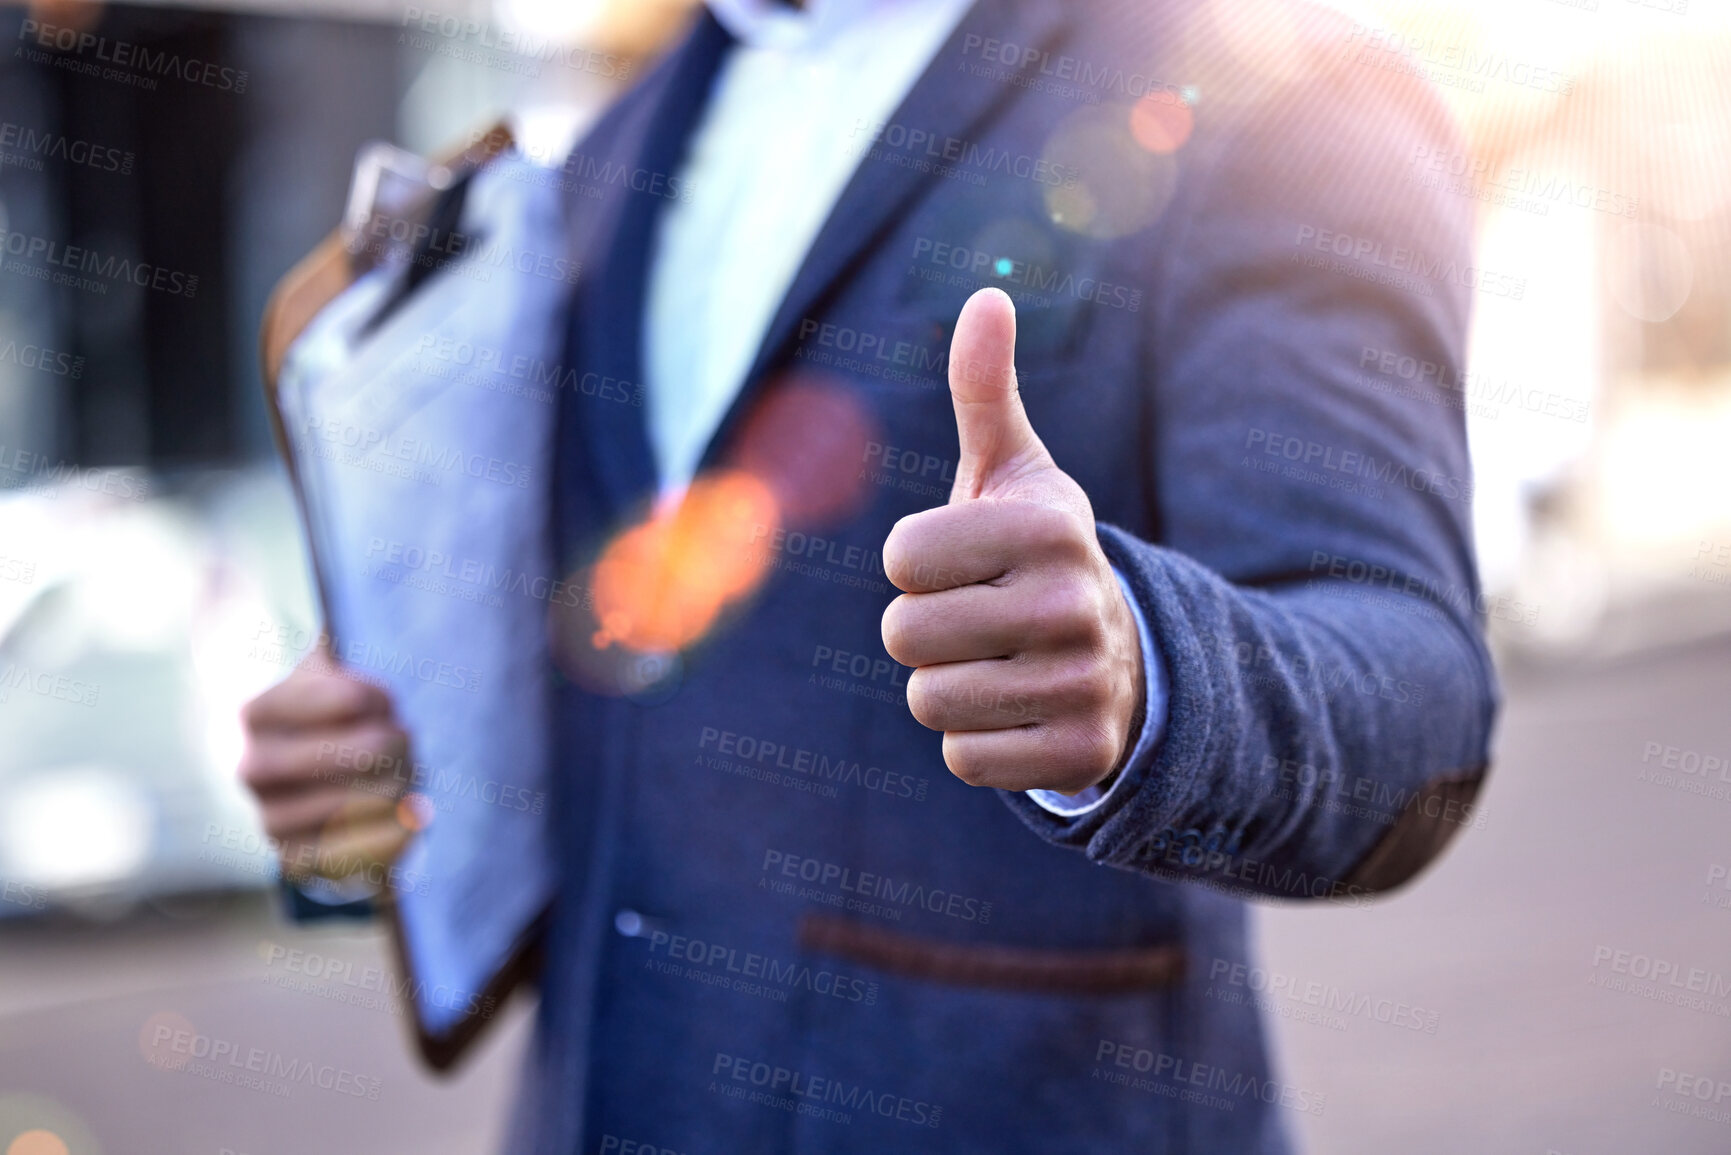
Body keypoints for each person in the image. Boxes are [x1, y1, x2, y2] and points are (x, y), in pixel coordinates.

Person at [241, 0, 1499, 1150]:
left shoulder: (1272, 85)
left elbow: (1416, 689)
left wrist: (1148, 666)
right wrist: (371, 791)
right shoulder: (610, 146)